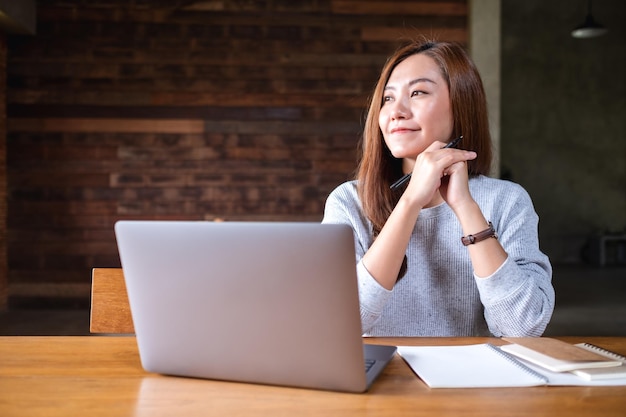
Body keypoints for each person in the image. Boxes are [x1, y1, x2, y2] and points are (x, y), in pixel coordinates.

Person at [322, 39, 555, 337]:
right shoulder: (349, 201)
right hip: (379, 378)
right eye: (388, 98)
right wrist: (410, 203)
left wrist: (466, 207)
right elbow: (341, 323)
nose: (396, 111)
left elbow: (521, 328)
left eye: (417, 92)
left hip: (468, 379)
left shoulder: (507, 201)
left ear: (461, 105)